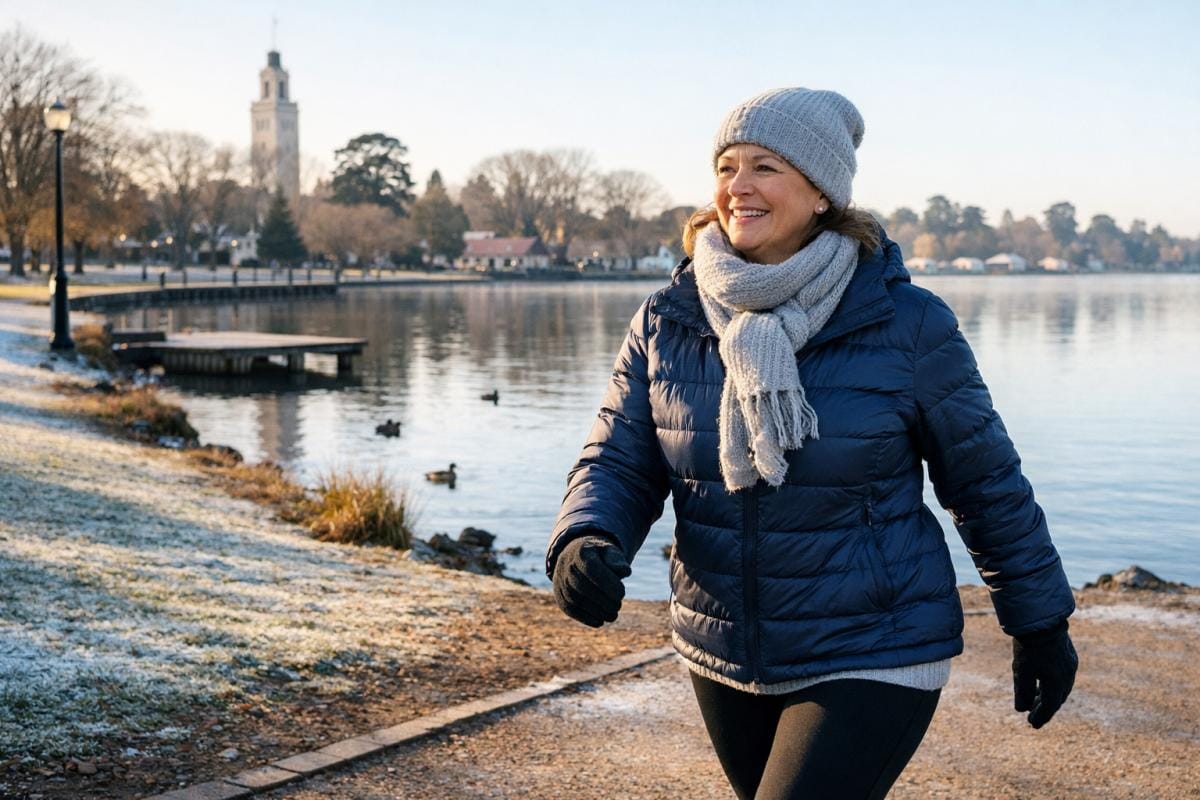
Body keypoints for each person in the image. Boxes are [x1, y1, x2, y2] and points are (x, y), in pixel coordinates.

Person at [545, 87, 1078, 799]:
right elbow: (619, 456)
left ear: (822, 191)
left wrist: (1038, 620)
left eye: (765, 166)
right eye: (727, 166)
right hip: (725, 645)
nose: (739, 187)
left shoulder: (906, 321)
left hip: (874, 645)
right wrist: (584, 535)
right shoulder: (669, 317)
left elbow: (984, 481)